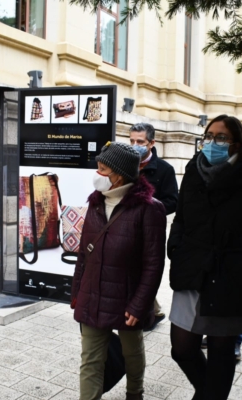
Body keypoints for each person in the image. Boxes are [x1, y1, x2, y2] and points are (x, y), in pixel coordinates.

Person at [167, 115, 242, 399]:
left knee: (221, 352)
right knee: (182, 348)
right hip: (192, 269)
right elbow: (180, 217)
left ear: (237, 144)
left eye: (222, 137)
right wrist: (175, 248)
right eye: (209, 136)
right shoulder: (193, 172)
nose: (213, 142)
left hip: (231, 276)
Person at [71, 142, 167, 400]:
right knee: (90, 358)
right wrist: (77, 290)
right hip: (92, 292)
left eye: (103, 169)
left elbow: (154, 264)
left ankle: (135, 392)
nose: (97, 174)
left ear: (119, 175)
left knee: (131, 350)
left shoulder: (150, 209)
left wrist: (140, 305)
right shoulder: (95, 202)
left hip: (127, 295)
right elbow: (83, 253)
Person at [129, 122, 179, 330]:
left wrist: (148, 210)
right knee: (131, 271)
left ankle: (147, 314)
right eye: (131, 140)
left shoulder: (165, 170)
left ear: (151, 143)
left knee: (144, 272)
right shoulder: (125, 162)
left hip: (150, 231)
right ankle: (153, 310)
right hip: (125, 228)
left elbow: (172, 201)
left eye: (140, 141)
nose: (135, 145)